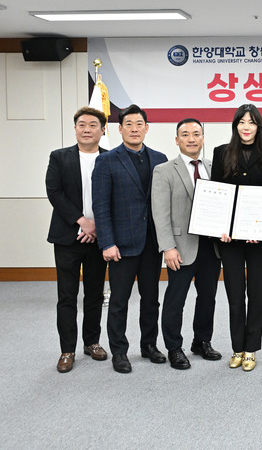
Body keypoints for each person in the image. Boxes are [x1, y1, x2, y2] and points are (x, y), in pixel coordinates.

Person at [92, 104, 168, 373]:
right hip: (121, 245)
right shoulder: (106, 161)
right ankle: (119, 352)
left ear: (147, 128)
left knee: (151, 299)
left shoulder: (160, 159)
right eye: (129, 124)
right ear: (119, 129)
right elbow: (101, 206)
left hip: (152, 243)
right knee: (119, 301)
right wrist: (107, 243)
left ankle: (149, 345)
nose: (134, 129)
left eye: (139, 124)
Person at [211, 104, 262, 372]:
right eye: (241, 122)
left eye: (251, 122)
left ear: (258, 126)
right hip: (229, 236)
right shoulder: (221, 153)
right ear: (235, 125)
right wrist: (222, 227)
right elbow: (217, 193)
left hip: (259, 237)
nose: (246, 127)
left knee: (257, 292)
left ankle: (251, 348)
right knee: (235, 292)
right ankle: (237, 347)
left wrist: (257, 228)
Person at [151, 118, 222, 370]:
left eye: (196, 134)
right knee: (176, 299)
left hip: (212, 246)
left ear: (203, 138)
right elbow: (160, 213)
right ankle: (174, 347)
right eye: (185, 134)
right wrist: (167, 247)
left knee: (208, 297)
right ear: (176, 140)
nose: (191, 139)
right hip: (180, 248)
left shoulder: (214, 167)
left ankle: (202, 341)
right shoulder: (164, 170)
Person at [46, 106, 109, 373]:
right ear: (75, 129)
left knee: (94, 294)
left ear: (102, 130)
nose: (86, 129)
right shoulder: (59, 157)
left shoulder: (110, 158)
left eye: (93, 125)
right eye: (81, 124)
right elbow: (54, 192)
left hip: (100, 238)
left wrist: (98, 227)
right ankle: (67, 350)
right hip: (67, 237)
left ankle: (91, 342)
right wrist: (82, 221)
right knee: (67, 296)